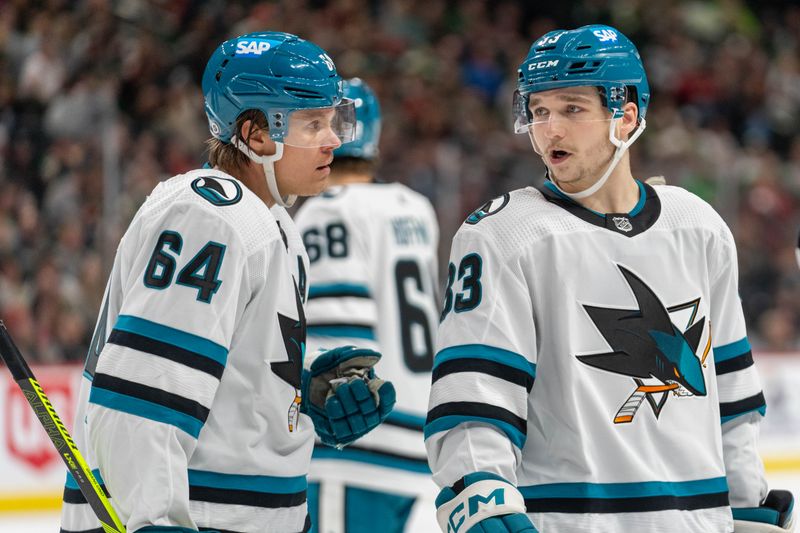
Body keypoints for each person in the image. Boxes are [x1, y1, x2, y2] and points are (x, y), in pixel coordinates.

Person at [425, 24, 795, 533]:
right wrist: (479, 496)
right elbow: (475, 395)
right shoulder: (503, 234)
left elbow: (729, 394)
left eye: (572, 109)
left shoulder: (699, 225)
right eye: (538, 111)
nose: (550, 129)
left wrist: (746, 499)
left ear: (626, 116)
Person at [59, 31, 396, 533]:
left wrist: (300, 392)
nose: (333, 140)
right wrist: (157, 521)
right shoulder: (211, 215)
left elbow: (218, 372)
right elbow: (145, 394)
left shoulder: (275, 224)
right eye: (313, 124)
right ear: (256, 134)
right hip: (202, 518)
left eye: (334, 120)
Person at [294, 78, 441, 533]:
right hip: (421, 442)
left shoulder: (328, 211)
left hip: (358, 447)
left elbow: (340, 350)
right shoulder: (415, 207)